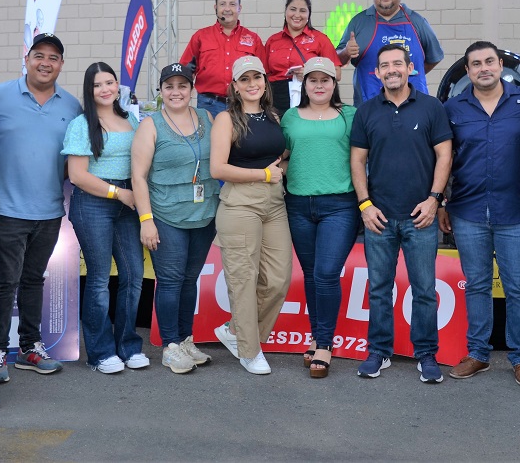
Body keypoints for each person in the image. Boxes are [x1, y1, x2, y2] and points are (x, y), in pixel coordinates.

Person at [438, 41, 520, 387]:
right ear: (467, 71)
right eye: (475, 64)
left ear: (500, 65)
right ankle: (478, 353)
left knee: (518, 287)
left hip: (515, 210)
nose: (483, 68)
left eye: (489, 61)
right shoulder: (453, 108)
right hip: (467, 211)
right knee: (477, 286)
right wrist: (440, 201)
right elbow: (443, 158)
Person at [0, 32, 82, 382]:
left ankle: (29, 347)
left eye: (53, 58)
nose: (45, 63)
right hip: (7, 209)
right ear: (27, 58)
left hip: (51, 211)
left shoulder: (72, 106)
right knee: (5, 280)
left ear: (61, 65)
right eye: (39, 55)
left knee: (33, 280)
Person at [351, 43, 452, 384]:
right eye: (385, 65)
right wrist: (365, 204)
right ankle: (379, 351)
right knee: (379, 288)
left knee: (424, 288)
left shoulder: (431, 108)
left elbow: (444, 155)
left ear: (411, 68)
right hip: (378, 217)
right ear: (376, 73)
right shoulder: (366, 112)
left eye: (398, 63)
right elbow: (357, 161)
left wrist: (434, 199)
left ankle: (426, 353)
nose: (391, 69)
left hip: (420, 217)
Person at [131, 62, 221, 375]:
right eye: (169, 86)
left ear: (192, 89)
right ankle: (170, 346)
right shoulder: (150, 125)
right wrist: (146, 219)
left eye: (182, 86)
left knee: (188, 280)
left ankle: (185, 340)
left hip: (203, 214)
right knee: (170, 282)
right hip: (167, 216)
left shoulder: (207, 118)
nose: (176, 92)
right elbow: (139, 177)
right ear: (161, 91)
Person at [61, 62, 147, 374]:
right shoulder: (82, 124)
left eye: (110, 82)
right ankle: (100, 352)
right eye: (98, 85)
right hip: (95, 203)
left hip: (130, 201)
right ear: (89, 90)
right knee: (99, 278)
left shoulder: (131, 120)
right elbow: (77, 176)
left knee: (133, 274)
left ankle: (128, 345)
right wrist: (118, 194)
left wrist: (133, 194)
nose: (105, 89)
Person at [209, 55, 293, 375]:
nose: (252, 83)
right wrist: (263, 175)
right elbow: (218, 168)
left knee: (277, 280)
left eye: (256, 77)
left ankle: (236, 332)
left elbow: (280, 156)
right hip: (240, 203)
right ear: (235, 86)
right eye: (244, 79)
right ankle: (249, 349)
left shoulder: (272, 115)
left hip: (274, 202)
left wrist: (279, 171)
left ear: (265, 81)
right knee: (244, 280)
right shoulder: (227, 120)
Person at [281, 57, 358, 378]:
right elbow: (282, 157)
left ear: (334, 83)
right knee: (312, 274)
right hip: (299, 205)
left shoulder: (349, 116)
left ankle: (324, 343)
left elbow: (363, 158)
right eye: (313, 80)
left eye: (325, 80)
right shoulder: (289, 117)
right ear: (305, 84)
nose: (319, 85)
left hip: (339, 206)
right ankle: (316, 336)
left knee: (326, 273)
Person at [336, 0, 445, 105]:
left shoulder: (417, 21)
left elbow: (434, 57)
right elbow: (336, 59)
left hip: (415, 107)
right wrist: (346, 52)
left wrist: (406, 74)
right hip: (370, 107)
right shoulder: (359, 22)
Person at [180, 0, 267, 116]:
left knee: (242, 137)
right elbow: (186, 71)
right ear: (215, 7)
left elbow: (264, 74)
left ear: (239, 8)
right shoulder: (201, 37)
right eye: (222, 4)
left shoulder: (253, 39)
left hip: (243, 103)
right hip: (208, 104)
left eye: (232, 4)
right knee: (210, 137)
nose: (227, 9)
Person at [265, 0, 342, 115]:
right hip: (275, 98)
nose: (297, 15)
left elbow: (337, 74)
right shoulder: (273, 40)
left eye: (302, 10)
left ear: (309, 14)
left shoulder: (320, 39)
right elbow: (264, 75)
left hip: (307, 95)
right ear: (285, 12)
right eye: (293, 9)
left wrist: (310, 73)